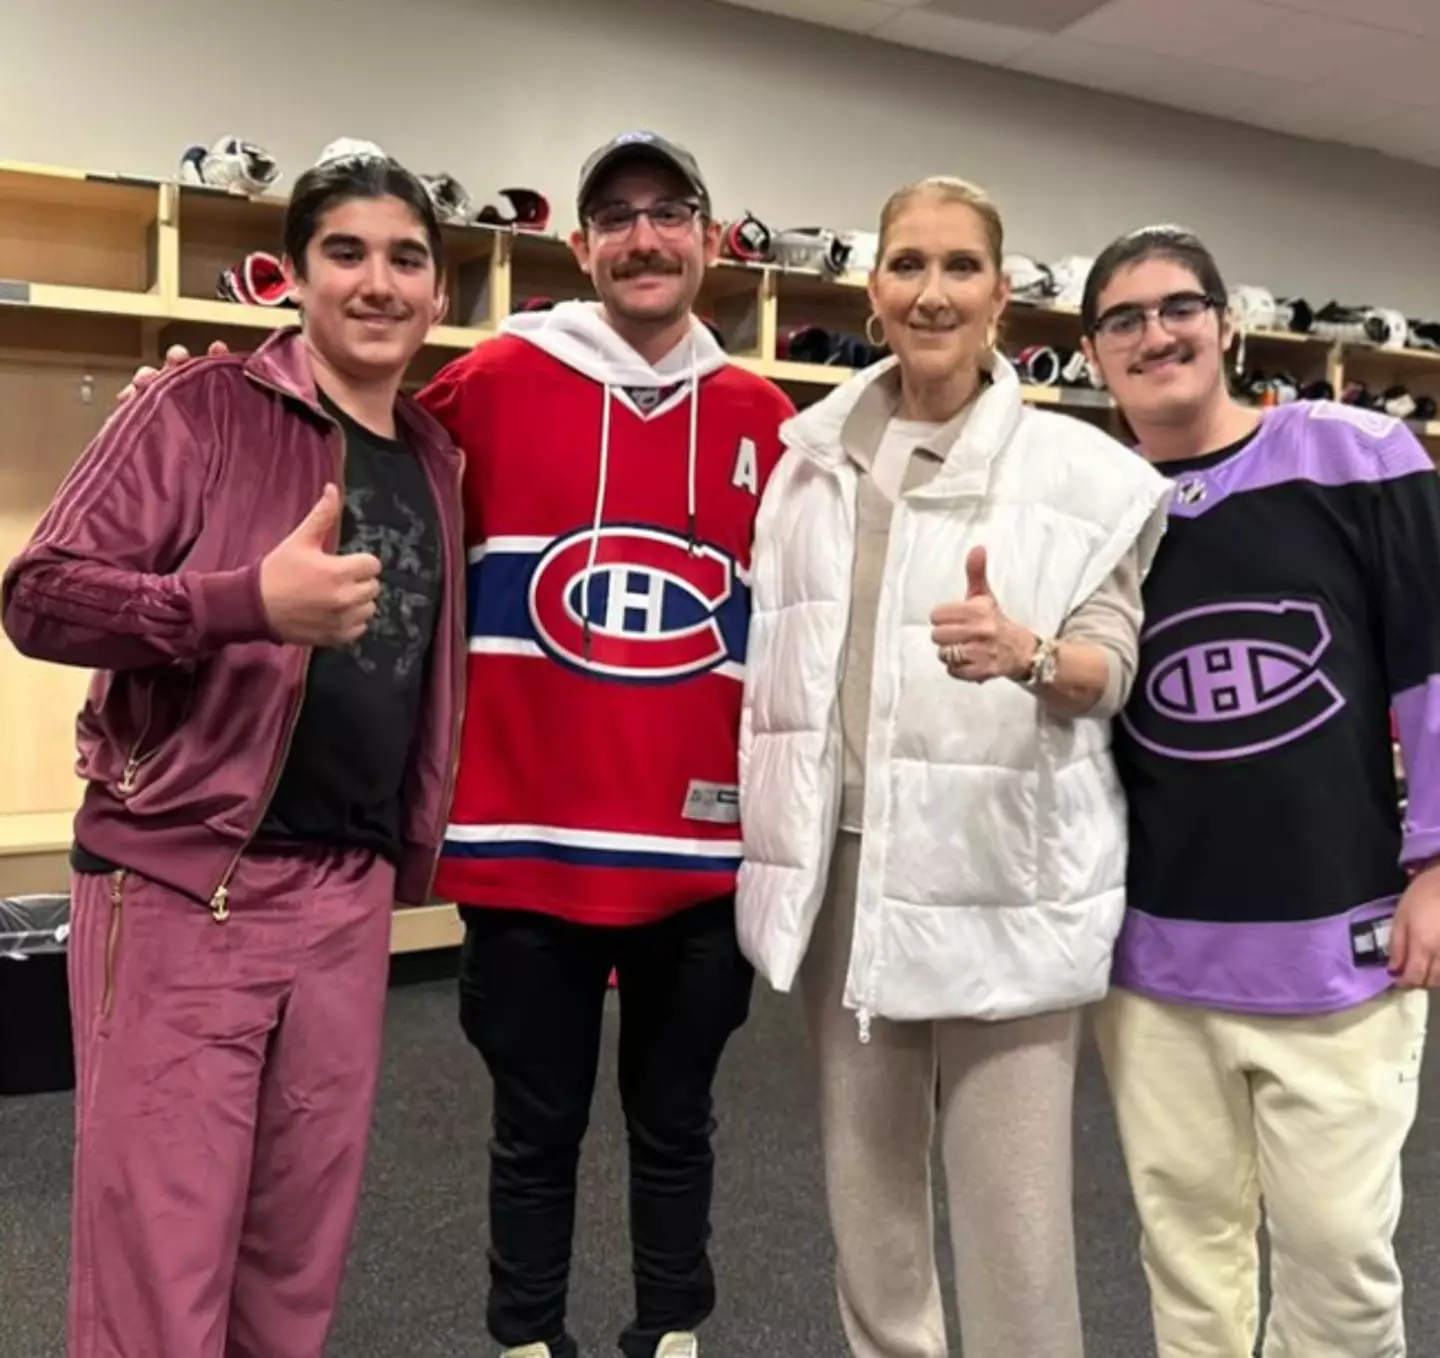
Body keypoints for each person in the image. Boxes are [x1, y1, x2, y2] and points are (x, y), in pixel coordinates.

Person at [117, 131, 795, 1358]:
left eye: (670, 212)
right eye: (617, 215)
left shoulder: (766, 417)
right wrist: (205, 395)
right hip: (524, 848)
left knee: (678, 1122)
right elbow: (334, 440)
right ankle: (525, 1335)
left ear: (708, 236)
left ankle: (673, 1328)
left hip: (700, 855)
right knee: (532, 1128)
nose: (644, 237)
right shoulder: (489, 383)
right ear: (579, 244)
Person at [3, 149, 466, 1358]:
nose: (377, 282)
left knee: (292, 1270)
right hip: (183, 886)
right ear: (294, 276)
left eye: (405, 257)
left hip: (349, 901)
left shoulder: (436, 456)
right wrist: (243, 601)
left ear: (440, 291)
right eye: (345, 252)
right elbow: (41, 595)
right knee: (158, 1272)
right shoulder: (198, 405)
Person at [734, 175, 1173, 1358]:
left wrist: (1032, 655)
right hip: (849, 868)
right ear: (873, 289)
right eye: (909, 264)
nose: (933, 293)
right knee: (869, 1203)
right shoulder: (810, 462)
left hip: (1002, 879)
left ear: (1001, 293)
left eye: (960, 267)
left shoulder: (1081, 473)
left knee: (1014, 1227)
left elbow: (1112, 668)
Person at [1081, 224, 1440, 1357]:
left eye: (1178, 306)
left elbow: (1434, 663)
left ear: (1226, 323)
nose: (1155, 334)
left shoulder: (1356, 455)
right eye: (1124, 318)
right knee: (1189, 1256)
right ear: (1093, 353)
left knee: (1340, 1261)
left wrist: (1438, 861)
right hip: (1155, 960)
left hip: (1339, 950)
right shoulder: (1093, 504)